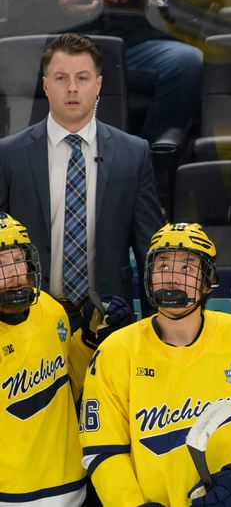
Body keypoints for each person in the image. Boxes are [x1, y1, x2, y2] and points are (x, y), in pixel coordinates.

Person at [79, 223, 231, 507]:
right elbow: (102, 449)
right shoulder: (115, 351)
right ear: (148, 277)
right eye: (162, 267)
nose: (172, 279)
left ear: (208, 280)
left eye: (187, 269)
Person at [0, 33, 164, 326]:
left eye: (83, 78)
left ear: (99, 85)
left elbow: (149, 252)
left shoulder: (134, 154)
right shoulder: (8, 154)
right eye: (61, 78)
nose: (72, 88)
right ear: (45, 85)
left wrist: (154, 330)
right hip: (28, 320)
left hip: (109, 321)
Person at [0, 213, 100, 504]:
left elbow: (70, 386)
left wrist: (88, 339)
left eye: (18, 260)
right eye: (1, 264)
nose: (14, 273)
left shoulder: (51, 309)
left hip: (70, 485)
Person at [56, 0, 206, 146]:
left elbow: (181, 4)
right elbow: (18, 0)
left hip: (135, 44)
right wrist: (57, 3)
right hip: (56, 44)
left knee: (186, 62)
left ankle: (148, 160)